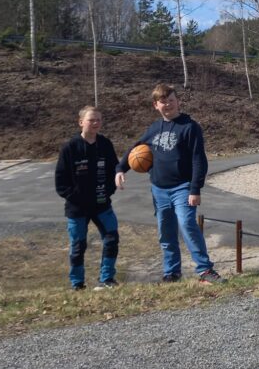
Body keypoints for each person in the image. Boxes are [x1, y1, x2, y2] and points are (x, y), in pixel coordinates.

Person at [115, 84, 223, 284]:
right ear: (156, 105)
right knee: (166, 232)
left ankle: (205, 270)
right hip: (159, 190)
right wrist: (121, 168)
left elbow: (199, 160)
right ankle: (172, 273)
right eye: (163, 102)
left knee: (187, 224)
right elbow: (136, 149)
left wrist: (195, 188)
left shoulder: (190, 127)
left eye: (171, 100)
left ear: (177, 101)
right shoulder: (154, 128)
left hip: (183, 187)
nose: (168, 105)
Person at [55, 106, 120, 290]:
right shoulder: (70, 147)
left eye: (98, 119)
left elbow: (114, 171)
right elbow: (60, 182)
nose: (95, 123)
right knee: (78, 245)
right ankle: (77, 284)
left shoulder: (105, 144)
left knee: (112, 239)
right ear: (81, 122)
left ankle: (107, 279)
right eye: (91, 120)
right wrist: (75, 197)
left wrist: (108, 191)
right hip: (77, 208)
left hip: (102, 205)